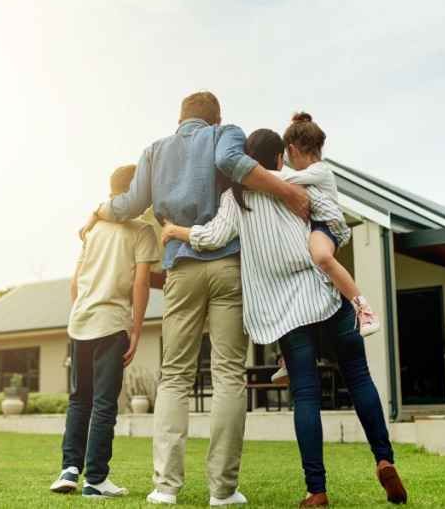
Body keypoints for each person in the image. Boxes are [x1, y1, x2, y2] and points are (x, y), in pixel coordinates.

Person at [81, 91, 310, 506]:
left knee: (175, 376)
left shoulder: (155, 150)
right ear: (215, 117)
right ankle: (223, 490)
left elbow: (131, 204)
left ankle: (165, 487)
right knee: (227, 375)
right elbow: (231, 163)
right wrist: (287, 191)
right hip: (227, 268)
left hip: (181, 269)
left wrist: (100, 210)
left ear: (181, 118)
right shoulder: (226, 133)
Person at [163, 128, 407, 507]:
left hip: (286, 314)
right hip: (324, 296)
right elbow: (333, 220)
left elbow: (212, 237)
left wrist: (175, 231)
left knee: (306, 395)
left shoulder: (236, 196)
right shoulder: (296, 183)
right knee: (359, 377)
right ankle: (384, 458)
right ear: (280, 157)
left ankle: (317, 490)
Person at [50, 164, 160, 498]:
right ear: (135, 193)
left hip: (80, 323)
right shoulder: (142, 231)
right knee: (103, 404)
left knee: (79, 400)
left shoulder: (92, 230)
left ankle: (69, 469)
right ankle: (95, 479)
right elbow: (141, 282)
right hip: (111, 325)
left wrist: (81, 310)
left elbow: (74, 282)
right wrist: (137, 329)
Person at [270, 111, 381, 385]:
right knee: (303, 292)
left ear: (292, 150)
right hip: (316, 229)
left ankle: (363, 308)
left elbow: (282, 181)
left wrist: (253, 171)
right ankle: (285, 357)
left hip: (327, 228)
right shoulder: (311, 172)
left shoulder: (319, 171)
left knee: (320, 257)